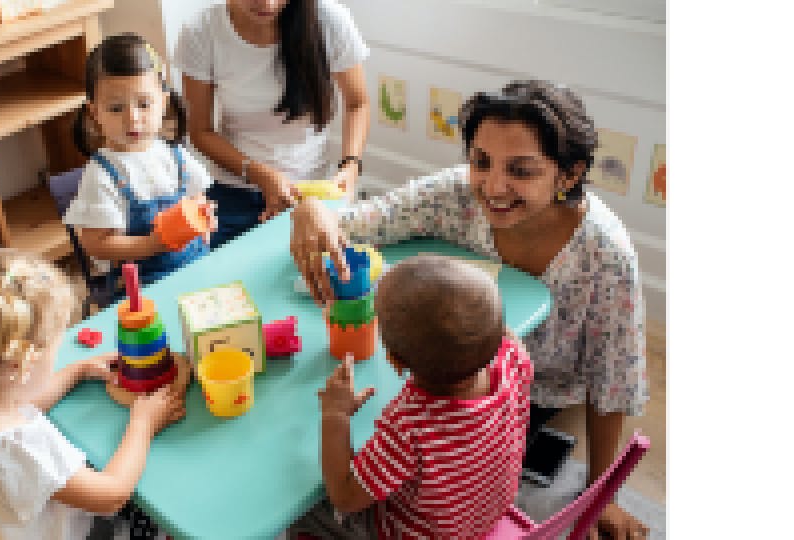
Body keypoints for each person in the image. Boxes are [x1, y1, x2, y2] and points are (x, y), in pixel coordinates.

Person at [291, 80, 650, 539]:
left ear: (569, 174)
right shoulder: (455, 197)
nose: (494, 187)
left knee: (340, 459)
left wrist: (605, 496)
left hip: (528, 394)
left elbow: (612, 382)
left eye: (521, 170)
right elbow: (365, 218)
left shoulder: (607, 253)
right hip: (484, 381)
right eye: (480, 162)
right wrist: (312, 210)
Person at [0, 245, 185, 539]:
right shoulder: (24, 450)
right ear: (19, 365)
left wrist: (76, 371)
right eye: (54, 350)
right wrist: (143, 424)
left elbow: (18, 401)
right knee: (152, 516)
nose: (57, 357)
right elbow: (112, 494)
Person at [297, 254, 532, 539]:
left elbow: (344, 496)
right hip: (483, 516)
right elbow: (502, 336)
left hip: (417, 533)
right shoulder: (513, 358)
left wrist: (336, 415)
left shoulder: (410, 425)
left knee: (306, 507)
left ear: (394, 362)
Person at [175, 0, 371, 248]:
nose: (267, 3)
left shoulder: (329, 20)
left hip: (311, 190)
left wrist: (351, 165)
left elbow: (357, 104)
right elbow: (200, 132)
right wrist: (261, 175)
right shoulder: (201, 31)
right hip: (235, 189)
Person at [64, 33, 217, 304]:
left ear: (164, 102)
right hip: (142, 289)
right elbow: (95, 242)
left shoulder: (174, 155)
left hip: (197, 269)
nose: (132, 118)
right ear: (94, 113)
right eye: (115, 108)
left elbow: (197, 197)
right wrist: (152, 244)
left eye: (144, 104)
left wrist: (202, 215)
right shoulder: (101, 174)